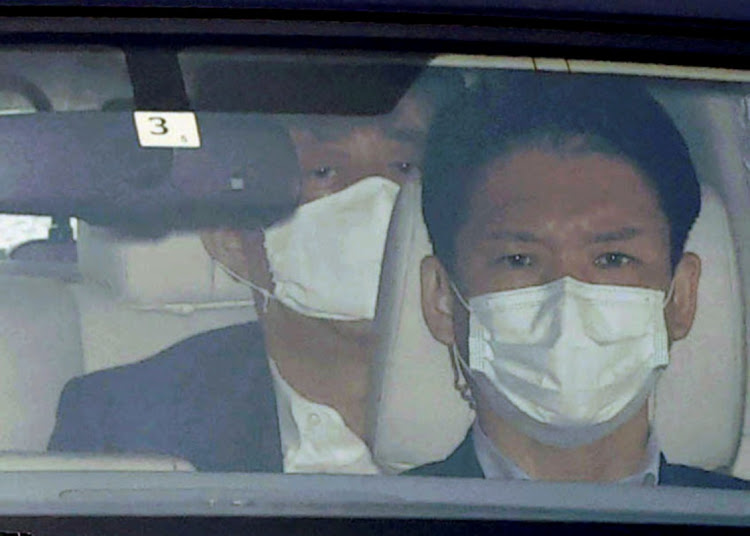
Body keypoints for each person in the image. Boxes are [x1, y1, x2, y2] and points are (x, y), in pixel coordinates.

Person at [47, 67, 464, 473]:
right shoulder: (126, 423)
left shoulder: (518, 386)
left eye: (407, 168)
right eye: (323, 171)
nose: (382, 201)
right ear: (231, 240)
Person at [412, 76, 749, 489]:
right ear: (441, 298)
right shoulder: (370, 521)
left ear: (680, 297)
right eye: (519, 260)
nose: (566, 298)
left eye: (613, 260)